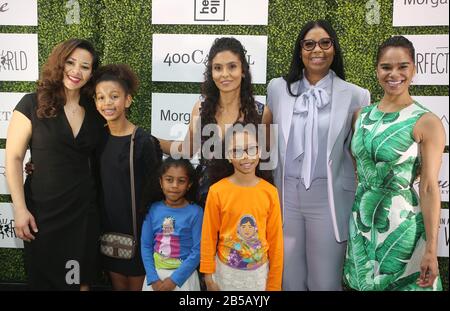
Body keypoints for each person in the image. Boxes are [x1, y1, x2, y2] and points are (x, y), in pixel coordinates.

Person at [267, 20, 370, 291]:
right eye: (309, 44)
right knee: (289, 280)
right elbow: (261, 137)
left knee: (324, 282)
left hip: (330, 198)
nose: (317, 50)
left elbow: (360, 151)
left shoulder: (356, 95)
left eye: (325, 43)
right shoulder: (277, 89)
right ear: (300, 50)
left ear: (334, 49)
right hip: (286, 196)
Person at [343, 36, 444, 291]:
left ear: (414, 69)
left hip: (403, 229)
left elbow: (430, 187)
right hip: (361, 225)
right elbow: (359, 169)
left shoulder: (426, 121)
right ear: (377, 70)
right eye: (386, 67)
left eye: (403, 66)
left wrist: (431, 249)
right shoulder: (362, 115)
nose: (394, 74)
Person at [6, 38, 104, 290]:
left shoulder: (95, 110)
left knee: (82, 282)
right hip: (42, 213)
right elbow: (14, 158)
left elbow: (121, 137)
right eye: (70, 62)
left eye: (85, 66)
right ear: (59, 63)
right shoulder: (30, 103)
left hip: (84, 212)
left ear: (91, 72)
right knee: (45, 282)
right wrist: (19, 209)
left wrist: (175, 144)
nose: (76, 71)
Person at [157, 37, 272, 207]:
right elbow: (186, 151)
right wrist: (149, 140)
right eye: (218, 68)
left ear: (243, 70)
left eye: (232, 66)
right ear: (211, 72)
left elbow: (266, 166)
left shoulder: (262, 114)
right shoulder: (200, 109)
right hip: (206, 201)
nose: (224, 74)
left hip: (244, 205)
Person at [93, 64, 162, 290]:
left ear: (128, 100)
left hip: (139, 236)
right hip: (108, 234)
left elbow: (155, 190)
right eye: (101, 97)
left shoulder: (142, 141)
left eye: (114, 96)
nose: (107, 103)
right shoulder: (97, 139)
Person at [200, 123, 283, 291]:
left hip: (259, 277)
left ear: (259, 151)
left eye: (251, 149)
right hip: (224, 276)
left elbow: (276, 243)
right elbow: (208, 236)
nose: (245, 156)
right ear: (229, 156)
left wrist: (274, 284)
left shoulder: (270, 192)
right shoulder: (217, 191)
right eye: (237, 151)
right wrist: (208, 277)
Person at [141, 157, 203, 291]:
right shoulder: (152, 209)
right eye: (169, 179)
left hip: (184, 279)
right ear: (161, 182)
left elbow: (198, 250)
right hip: (155, 278)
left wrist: (174, 280)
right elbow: (146, 245)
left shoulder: (196, 212)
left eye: (181, 181)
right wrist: (153, 279)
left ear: (189, 184)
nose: (174, 185)